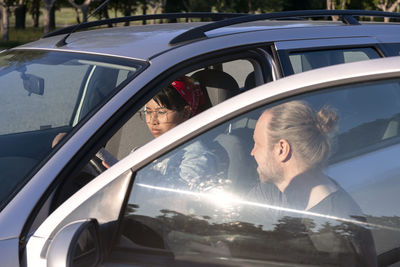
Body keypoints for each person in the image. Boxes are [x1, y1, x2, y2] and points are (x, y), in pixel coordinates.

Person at [248, 100, 377, 266]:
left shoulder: (329, 235)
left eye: (257, 143)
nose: (252, 152)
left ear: (281, 149)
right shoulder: (295, 196)